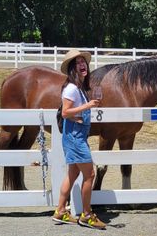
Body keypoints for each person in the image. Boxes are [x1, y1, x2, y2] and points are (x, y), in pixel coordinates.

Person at [52, 49, 106, 230]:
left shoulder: (79, 88)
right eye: (78, 63)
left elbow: (72, 112)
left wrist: (85, 107)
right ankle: (87, 215)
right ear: (72, 69)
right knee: (90, 174)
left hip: (75, 136)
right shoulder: (72, 88)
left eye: (84, 62)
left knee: (73, 174)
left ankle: (60, 211)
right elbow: (66, 112)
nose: (83, 65)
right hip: (75, 138)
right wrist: (89, 105)